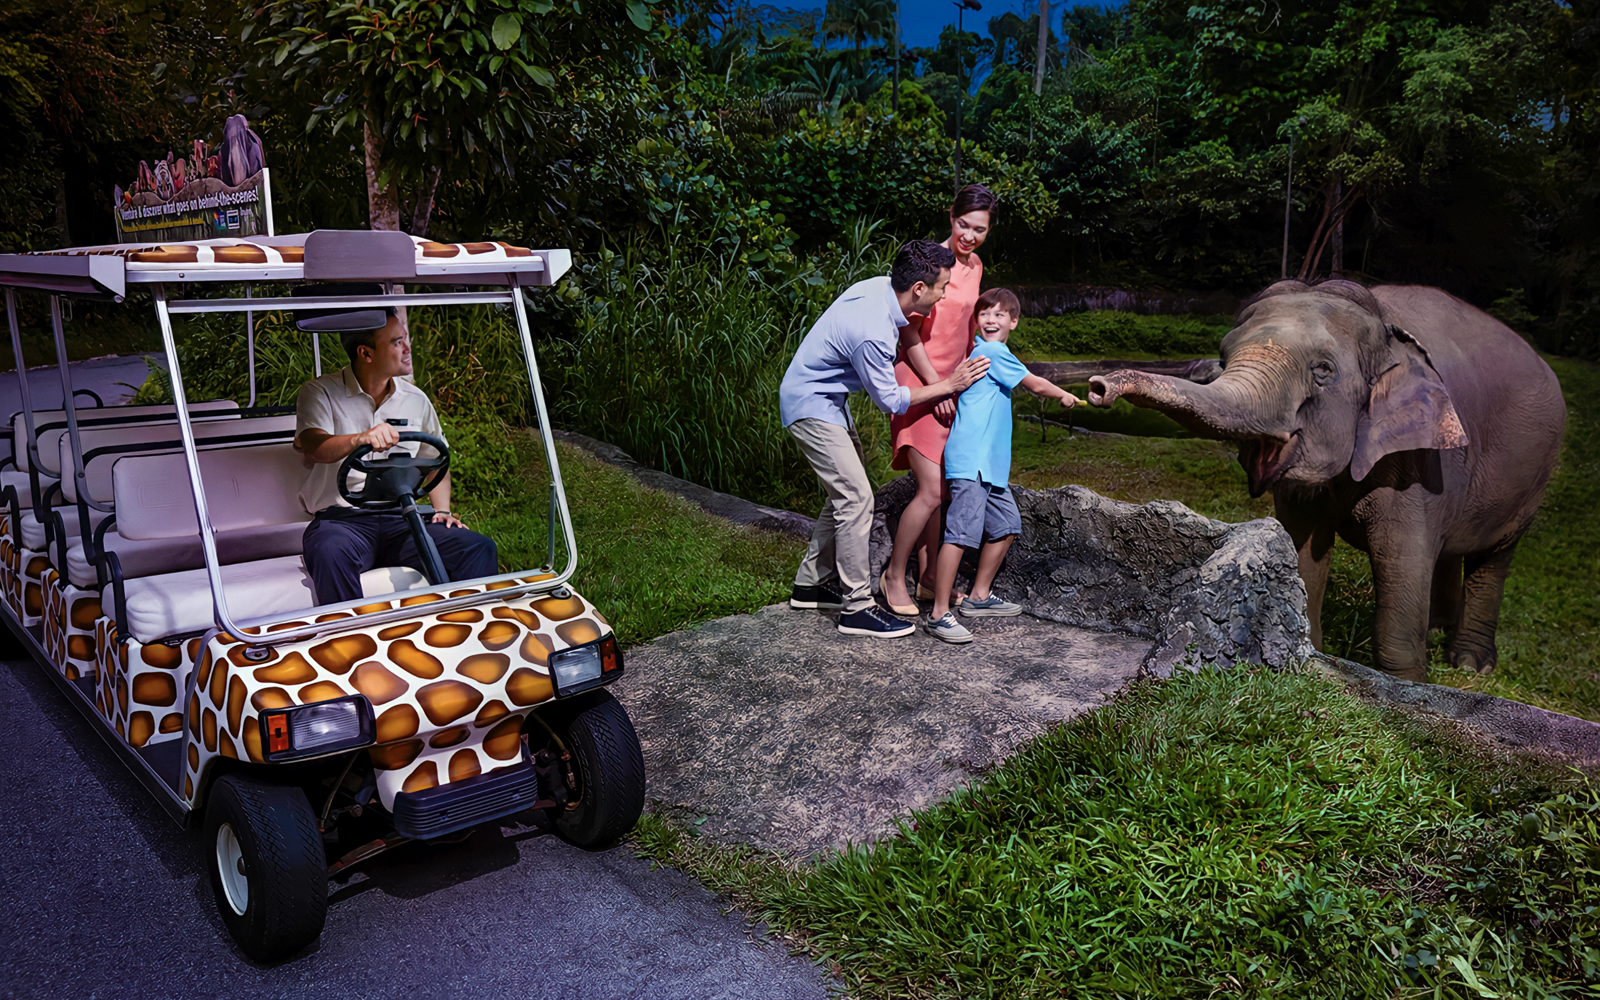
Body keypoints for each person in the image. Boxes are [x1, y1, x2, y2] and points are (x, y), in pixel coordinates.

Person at [779, 240, 991, 638]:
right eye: (942, 287)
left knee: (844, 493)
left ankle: (809, 584)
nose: (945, 294)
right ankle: (856, 607)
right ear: (918, 290)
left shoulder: (881, 287)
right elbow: (891, 401)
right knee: (856, 498)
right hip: (810, 405)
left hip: (826, 400)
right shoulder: (873, 331)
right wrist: (949, 385)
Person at [295, 309, 499, 605]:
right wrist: (359, 439)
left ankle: (469, 634)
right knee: (330, 552)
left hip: (402, 519)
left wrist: (443, 510)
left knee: (477, 547)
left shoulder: (415, 399)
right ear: (366, 353)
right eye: (397, 342)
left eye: (405, 339)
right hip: (343, 523)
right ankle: (350, 643)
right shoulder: (320, 392)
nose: (407, 348)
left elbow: (435, 462)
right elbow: (313, 444)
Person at [924, 287, 1075, 644]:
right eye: (985, 314)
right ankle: (938, 613)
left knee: (1007, 524)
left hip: (988, 466)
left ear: (1014, 321)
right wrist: (1064, 395)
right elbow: (1034, 384)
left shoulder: (993, 352)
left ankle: (979, 596)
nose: (991, 320)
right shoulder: (992, 351)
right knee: (960, 534)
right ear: (978, 321)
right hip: (971, 461)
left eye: (999, 315)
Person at [882, 184, 998, 616]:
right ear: (951, 216)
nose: (969, 236)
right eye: (963, 224)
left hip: (955, 384)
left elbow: (966, 331)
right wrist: (940, 385)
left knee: (945, 489)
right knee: (931, 491)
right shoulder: (930, 261)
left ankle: (930, 579)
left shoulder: (977, 266)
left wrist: (968, 381)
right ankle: (896, 575)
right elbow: (907, 331)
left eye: (979, 229)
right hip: (919, 379)